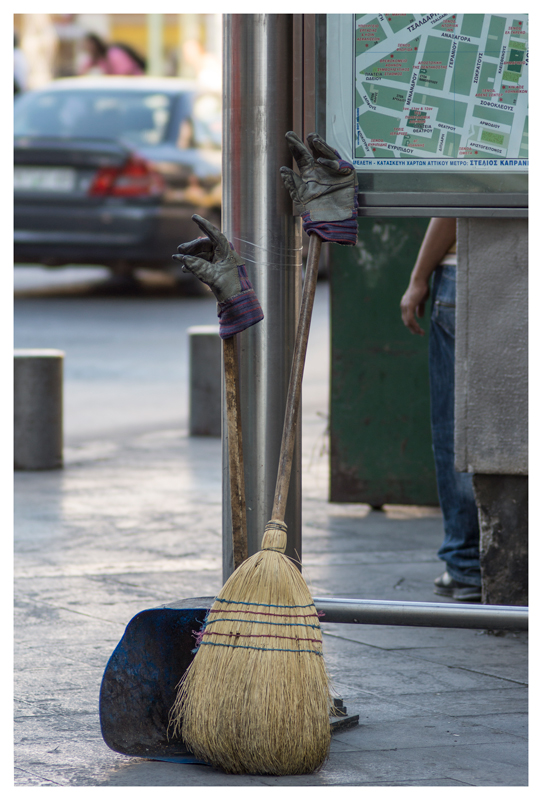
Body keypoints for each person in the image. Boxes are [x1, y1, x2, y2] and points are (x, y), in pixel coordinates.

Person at [400, 218, 481, 601]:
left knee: (457, 423)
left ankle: (467, 564)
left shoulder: (482, 154)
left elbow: (453, 208)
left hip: (465, 273)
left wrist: (418, 279)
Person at [79, 33, 145, 76]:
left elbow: (127, 72)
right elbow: (82, 73)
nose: (87, 48)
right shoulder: (94, 59)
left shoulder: (114, 54)